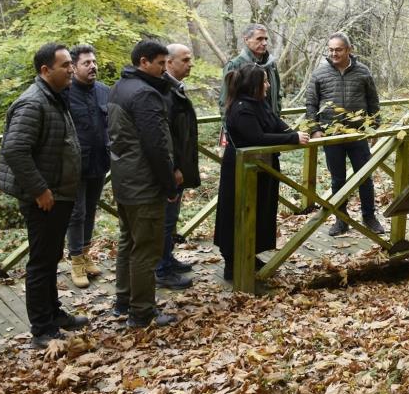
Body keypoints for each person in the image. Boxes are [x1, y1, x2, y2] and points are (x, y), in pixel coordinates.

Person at [0, 43, 87, 348]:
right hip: (45, 197)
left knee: (50, 258)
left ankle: (53, 314)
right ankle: (42, 329)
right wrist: (40, 190)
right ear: (45, 70)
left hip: (58, 193)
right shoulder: (33, 103)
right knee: (40, 262)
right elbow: (15, 150)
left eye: (70, 65)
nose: (71, 69)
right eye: (65, 65)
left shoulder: (54, 98)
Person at [108, 39, 181, 328]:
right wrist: (169, 184)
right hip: (144, 183)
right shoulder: (144, 95)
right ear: (143, 62)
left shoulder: (118, 88)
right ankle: (141, 311)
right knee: (146, 249)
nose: (165, 70)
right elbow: (157, 145)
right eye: (161, 64)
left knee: (128, 242)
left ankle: (123, 300)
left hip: (124, 179)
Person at [215, 64, 309, 280]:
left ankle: (250, 254)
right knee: (236, 213)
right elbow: (256, 137)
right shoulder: (241, 108)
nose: (268, 85)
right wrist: (292, 138)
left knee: (260, 211)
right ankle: (232, 262)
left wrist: (293, 132)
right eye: (265, 81)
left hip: (262, 167)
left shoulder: (259, 103)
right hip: (240, 170)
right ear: (254, 85)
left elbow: (275, 123)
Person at [305, 32, 385, 237]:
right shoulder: (319, 73)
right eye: (331, 49)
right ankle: (341, 219)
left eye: (338, 49)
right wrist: (315, 129)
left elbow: (373, 101)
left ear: (349, 50)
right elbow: (311, 104)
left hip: (358, 134)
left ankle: (369, 217)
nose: (334, 53)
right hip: (331, 135)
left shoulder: (363, 72)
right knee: (337, 179)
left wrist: (373, 126)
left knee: (364, 177)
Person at [65, 45, 109, 289]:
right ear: (73, 67)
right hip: (74, 166)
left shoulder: (104, 91)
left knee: (90, 211)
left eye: (94, 61)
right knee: (76, 213)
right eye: (86, 63)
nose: (93, 66)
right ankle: (75, 261)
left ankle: (85, 253)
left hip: (99, 162)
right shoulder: (65, 93)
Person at [155, 43, 199, 288]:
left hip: (179, 165)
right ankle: (161, 269)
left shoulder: (175, 88)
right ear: (169, 63)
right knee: (165, 218)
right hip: (172, 169)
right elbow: (165, 136)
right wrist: (173, 168)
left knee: (170, 218)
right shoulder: (164, 91)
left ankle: (167, 258)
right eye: (185, 59)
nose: (190, 63)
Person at [219, 23, 282, 116]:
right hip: (246, 125)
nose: (264, 43)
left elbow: (277, 94)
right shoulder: (235, 65)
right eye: (259, 39)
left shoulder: (271, 64)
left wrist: (277, 114)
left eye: (265, 39)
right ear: (246, 40)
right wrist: (230, 128)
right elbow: (225, 101)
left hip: (271, 123)